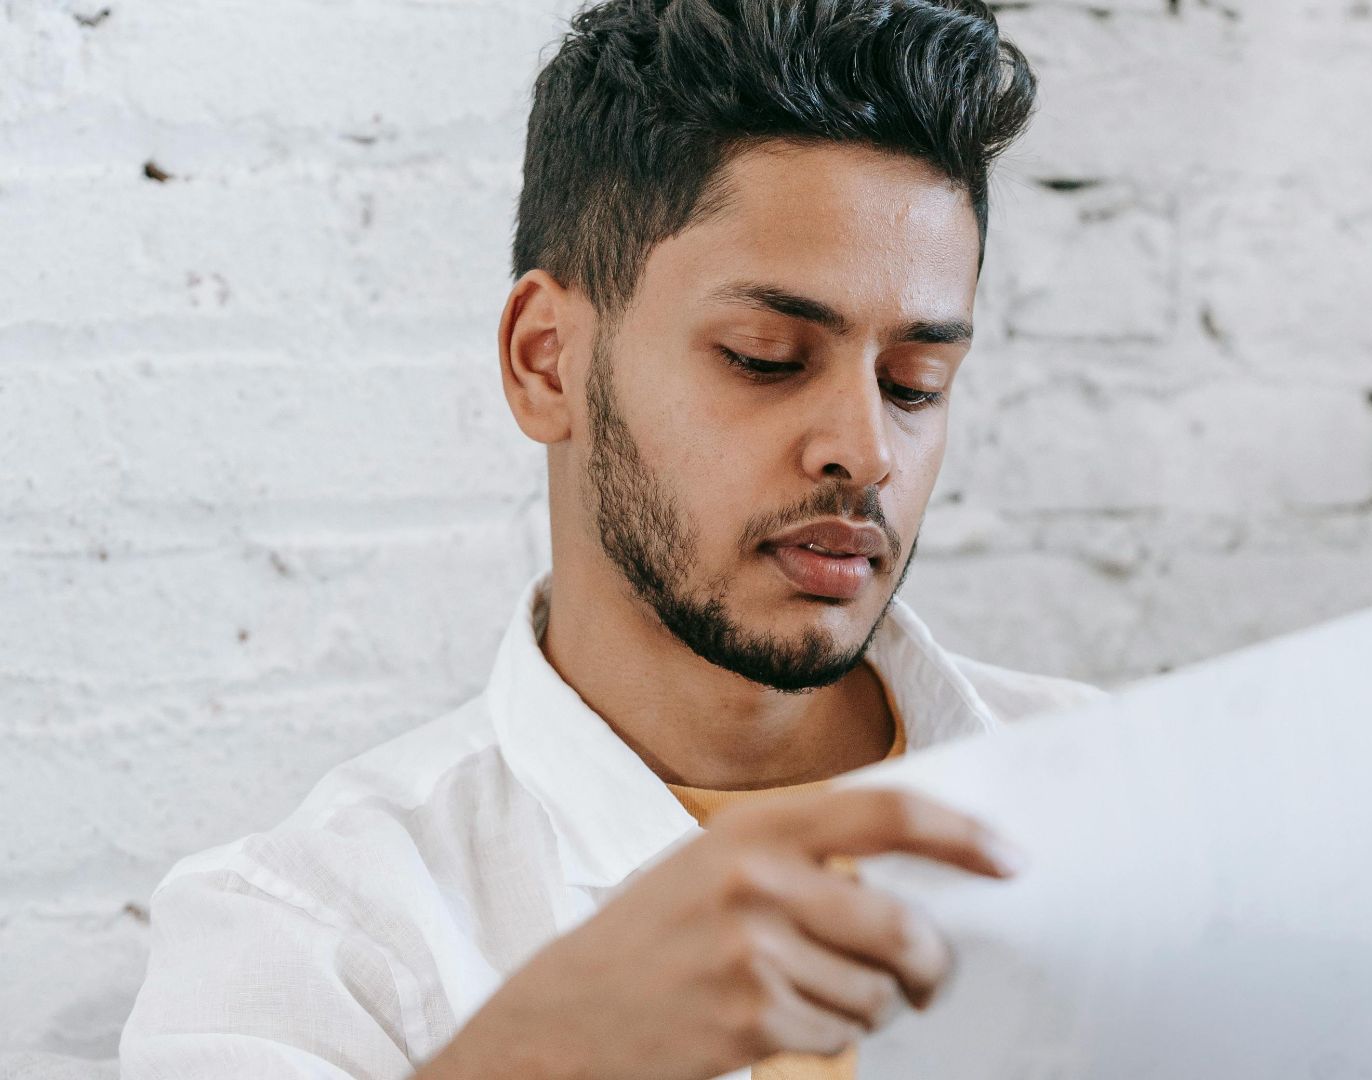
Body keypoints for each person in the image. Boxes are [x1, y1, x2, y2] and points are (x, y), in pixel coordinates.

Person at [116, 2, 1104, 1078]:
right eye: (766, 357)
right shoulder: (310, 935)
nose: (865, 452)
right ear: (547, 361)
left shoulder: (1123, 793)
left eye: (917, 383)